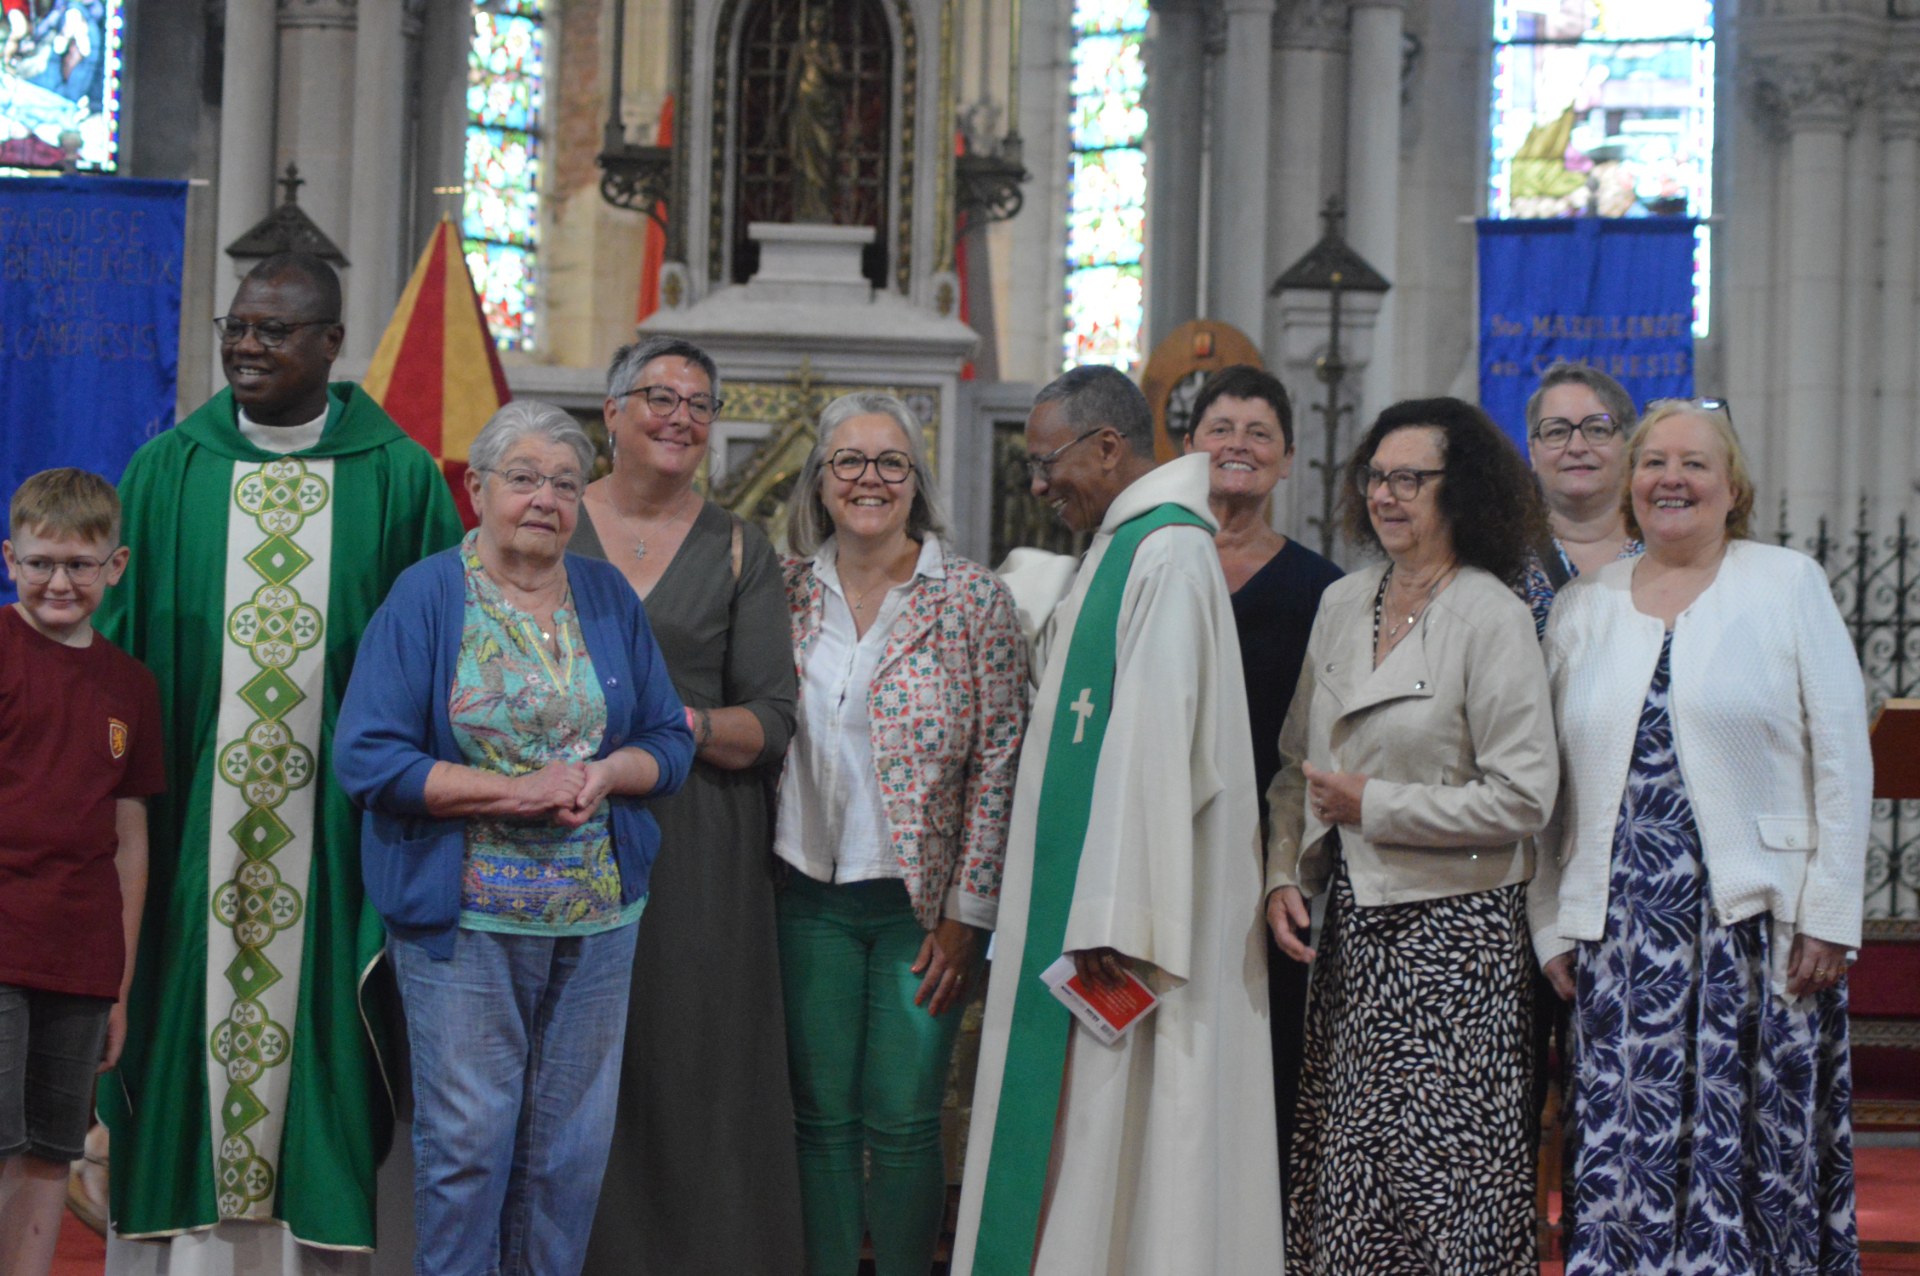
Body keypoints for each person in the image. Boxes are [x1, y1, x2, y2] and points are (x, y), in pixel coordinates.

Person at [95, 252, 463, 1271]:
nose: (247, 346)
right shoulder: (170, 469)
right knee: (181, 1019)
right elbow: (118, 659)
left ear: (332, 345)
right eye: (237, 326)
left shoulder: (398, 479)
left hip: (339, 833)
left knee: (326, 1046)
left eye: (274, 330)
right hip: (188, 832)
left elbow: (442, 659)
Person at [334, 401, 693, 1276]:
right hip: (466, 918)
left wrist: (605, 776)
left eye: (565, 484)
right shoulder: (429, 594)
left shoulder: (604, 594)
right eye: (524, 479)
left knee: (567, 1157)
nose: (545, 500)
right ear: (477, 487)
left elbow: (668, 740)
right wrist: (513, 791)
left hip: (599, 918)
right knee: (469, 1148)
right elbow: (369, 759)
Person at [953, 366, 1281, 1275]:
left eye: (1047, 460)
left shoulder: (1167, 554)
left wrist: (1113, 922)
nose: (1038, 483)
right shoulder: (1121, 546)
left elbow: (1154, 752)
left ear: (1108, 446)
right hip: (1097, 900)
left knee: (1134, 1141)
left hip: (1123, 924)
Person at [1530, 399, 1869, 1274]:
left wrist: (1830, 909)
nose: (1671, 479)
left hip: (1757, 936)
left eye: (1694, 464)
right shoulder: (1581, 605)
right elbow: (1552, 790)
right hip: (1625, 939)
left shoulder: (1787, 582)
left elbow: (1842, 757)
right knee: (1622, 1159)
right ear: (1630, 485)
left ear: (1733, 486)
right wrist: (1549, 920)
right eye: (1653, 463)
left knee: (1755, 1162)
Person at [1266, 397, 1558, 1274]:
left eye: (1411, 479)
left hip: (1458, 943)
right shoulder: (1342, 602)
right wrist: (1284, 872)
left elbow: (1525, 797)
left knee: (1451, 1187)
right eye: (1377, 477)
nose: (1389, 496)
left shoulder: (1491, 615)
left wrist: (1377, 807)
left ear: (1458, 489)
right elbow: (1294, 765)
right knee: (1352, 1179)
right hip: (1356, 931)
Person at [776, 391, 1027, 1275]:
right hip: (806, 893)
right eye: (849, 460)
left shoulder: (971, 600)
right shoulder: (784, 593)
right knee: (821, 1118)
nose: (869, 479)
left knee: (907, 1116)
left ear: (916, 483)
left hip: (922, 910)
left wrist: (971, 913)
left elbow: (1002, 761)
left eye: (890, 463)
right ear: (820, 480)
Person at [573, 337, 804, 1275]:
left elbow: (774, 721)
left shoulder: (741, 547)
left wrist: (678, 725)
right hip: (557, 828)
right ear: (611, 412)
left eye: (700, 404)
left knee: (686, 1060)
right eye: (659, 396)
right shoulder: (552, 517)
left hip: (697, 838)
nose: (679, 417)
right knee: (576, 1066)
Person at [1180, 364, 1342, 1195]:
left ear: (1285, 461)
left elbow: (1325, 742)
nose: (1237, 446)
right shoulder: (1153, 568)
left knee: (1268, 1055)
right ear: (1190, 447)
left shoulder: (1326, 592)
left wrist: (1289, 864)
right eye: (1221, 429)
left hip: (1271, 865)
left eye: (1259, 434)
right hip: (1167, 852)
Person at [0, 470, 161, 1276]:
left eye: (79, 564)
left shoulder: (130, 685)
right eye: (39, 562)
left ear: (116, 564)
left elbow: (129, 839)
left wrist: (120, 983)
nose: (59, 581)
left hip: (81, 959)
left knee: (48, 1152)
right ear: (8, 558)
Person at [1520, 362, 1642, 634]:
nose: (1576, 447)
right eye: (1557, 432)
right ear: (1532, 452)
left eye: (1597, 430)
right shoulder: (1501, 558)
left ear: (1628, 446)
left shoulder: (1664, 550)